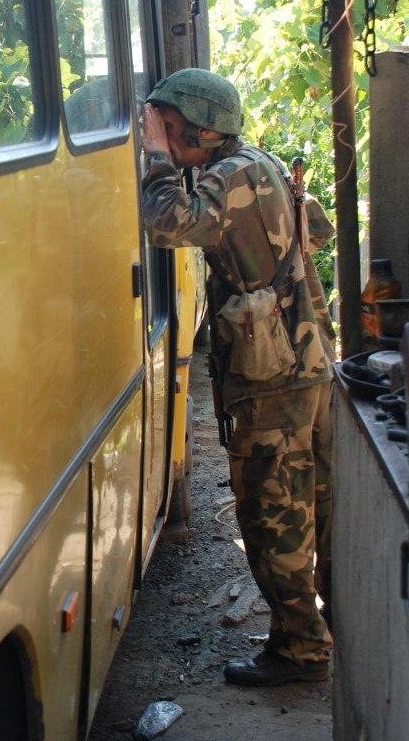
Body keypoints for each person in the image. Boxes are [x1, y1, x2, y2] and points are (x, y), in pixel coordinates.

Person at [140, 68, 336, 687]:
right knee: (314, 505)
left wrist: (153, 159)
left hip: (273, 379)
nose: (161, 137)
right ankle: (323, 627)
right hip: (304, 365)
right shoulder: (259, 163)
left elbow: (167, 223)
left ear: (203, 131)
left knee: (272, 518)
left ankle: (301, 652)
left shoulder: (228, 177)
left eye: (169, 128)